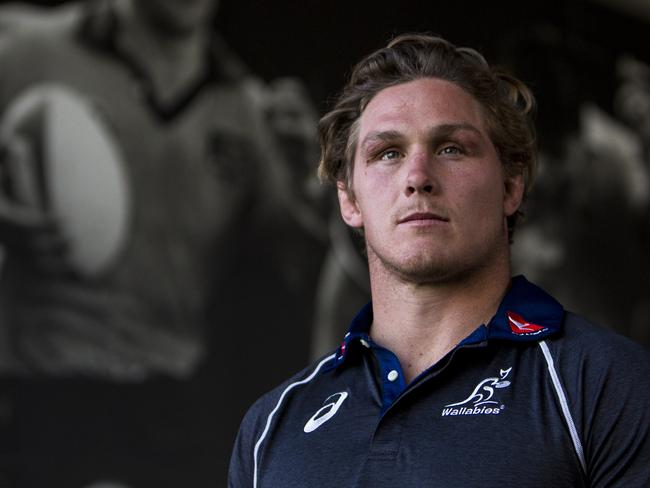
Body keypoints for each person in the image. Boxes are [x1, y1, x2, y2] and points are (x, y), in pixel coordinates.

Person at [229, 34, 650, 487]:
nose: (417, 177)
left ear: (511, 187)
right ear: (349, 199)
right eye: (387, 153)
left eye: (451, 148)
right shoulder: (269, 427)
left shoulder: (609, 385)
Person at [0, 0, 320, 486]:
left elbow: (304, 272)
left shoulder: (251, 115)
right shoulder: (24, 49)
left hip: (165, 414)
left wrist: (320, 196)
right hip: (33, 395)